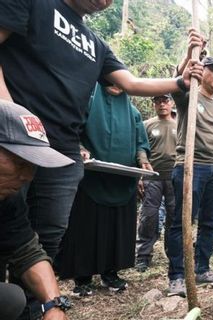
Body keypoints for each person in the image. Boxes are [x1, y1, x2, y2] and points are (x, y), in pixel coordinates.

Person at [0, 0, 201, 261]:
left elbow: (132, 82)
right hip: (14, 142)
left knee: (48, 236)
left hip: (62, 150)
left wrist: (179, 82)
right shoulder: (34, 4)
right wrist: (9, 115)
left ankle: (33, 301)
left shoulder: (97, 45)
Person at [55, 84, 151, 296]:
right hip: (92, 181)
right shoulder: (86, 104)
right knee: (87, 228)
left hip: (122, 181)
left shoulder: (132, 112)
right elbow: (71, 131)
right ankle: (83, 278)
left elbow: (141, 142)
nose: (115, 85)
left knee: (116, 228)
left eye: (120, 81)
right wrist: (80, 149)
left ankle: (111, 273)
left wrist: (142, 159)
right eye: (110, 80)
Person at [0, 101, 74, 320]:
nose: (28, 177)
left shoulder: (7, 198)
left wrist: (54, 305)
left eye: (33, 166)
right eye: (20, 162)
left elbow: (25, 249)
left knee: (10, 299)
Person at [168, 55, 213, 296]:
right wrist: (188, 56)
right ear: (201, 71)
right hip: (190, 165)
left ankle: (202, 269)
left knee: (209, 222)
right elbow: (178, 79)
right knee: (182, 222)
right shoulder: (188, 95)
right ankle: (176, 276)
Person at [135, 94, 177, 273]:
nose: (162, 104)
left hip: (175, 177)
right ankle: (143, 255)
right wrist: (140, 175)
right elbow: (139, 148)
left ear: (171, 102)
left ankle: (174, 255)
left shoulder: (180, 124)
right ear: (153, 104)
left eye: (165, 100)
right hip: (152, 177)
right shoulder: (146, 125)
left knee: (174, 217)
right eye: (158, 101)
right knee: (149, 216)